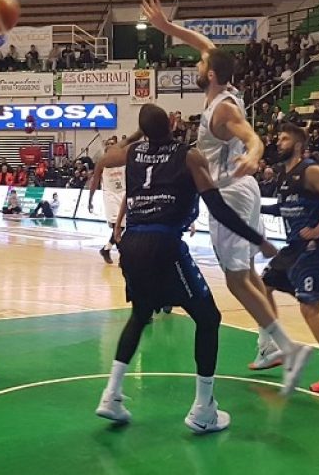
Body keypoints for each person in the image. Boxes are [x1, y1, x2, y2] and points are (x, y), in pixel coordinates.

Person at [142, 0, 310, 384]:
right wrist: (168, 29)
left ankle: (288, 348)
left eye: (201, 65)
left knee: (235, 279)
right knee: (246, 270)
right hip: (242, 189)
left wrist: (254, 152)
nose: (197, 64)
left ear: (212, 75)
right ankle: (269, 346)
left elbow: (252, 137)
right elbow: (203, 42)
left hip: (230, 192)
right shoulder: (224, 89)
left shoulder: (223, 110)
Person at [95, 105, 280, 434]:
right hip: (163, 244)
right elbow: (219, 208)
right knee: (208, 319)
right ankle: (203, 408)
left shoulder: (134, 153)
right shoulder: (189, 156)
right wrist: (259, 240)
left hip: (132, 245)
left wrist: (140, 134)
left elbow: (109, 155)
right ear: (171, 123)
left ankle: (111, 395)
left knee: (140, 315)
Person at [260, 123, 319, 393]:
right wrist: (255, 205)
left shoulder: (311, 170)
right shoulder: (283, 173)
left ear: (298, 144)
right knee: (261, 287)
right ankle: (270, 347)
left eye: (284, 138)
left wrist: (318, 230)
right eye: (278, 137)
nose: (278, 142)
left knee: (309, 308)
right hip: (293, 248)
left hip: (312, 248)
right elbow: (283, 207)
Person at [89, 137, 127, 264]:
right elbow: (94, 182)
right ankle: (123, 256)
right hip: (110, 194)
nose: (111, 146)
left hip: (123, 193)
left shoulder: (123, 159)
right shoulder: (102, 162)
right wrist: (90, 199)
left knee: (125, 226)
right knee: (118, 226)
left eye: (113, 144)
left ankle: (106, 249)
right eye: (108, 144)